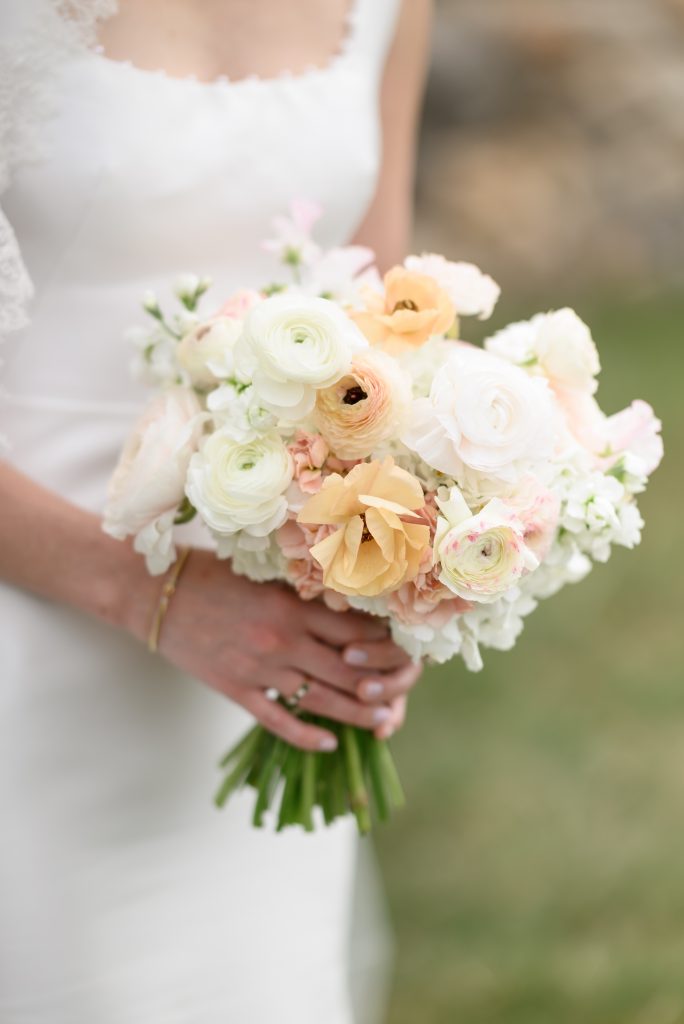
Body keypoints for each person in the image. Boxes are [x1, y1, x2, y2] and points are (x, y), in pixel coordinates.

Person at [0, 0, 432, 1020]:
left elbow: (378, 325)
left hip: (265, 655)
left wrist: (395, 562)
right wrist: (158, 595)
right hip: (27, 635)